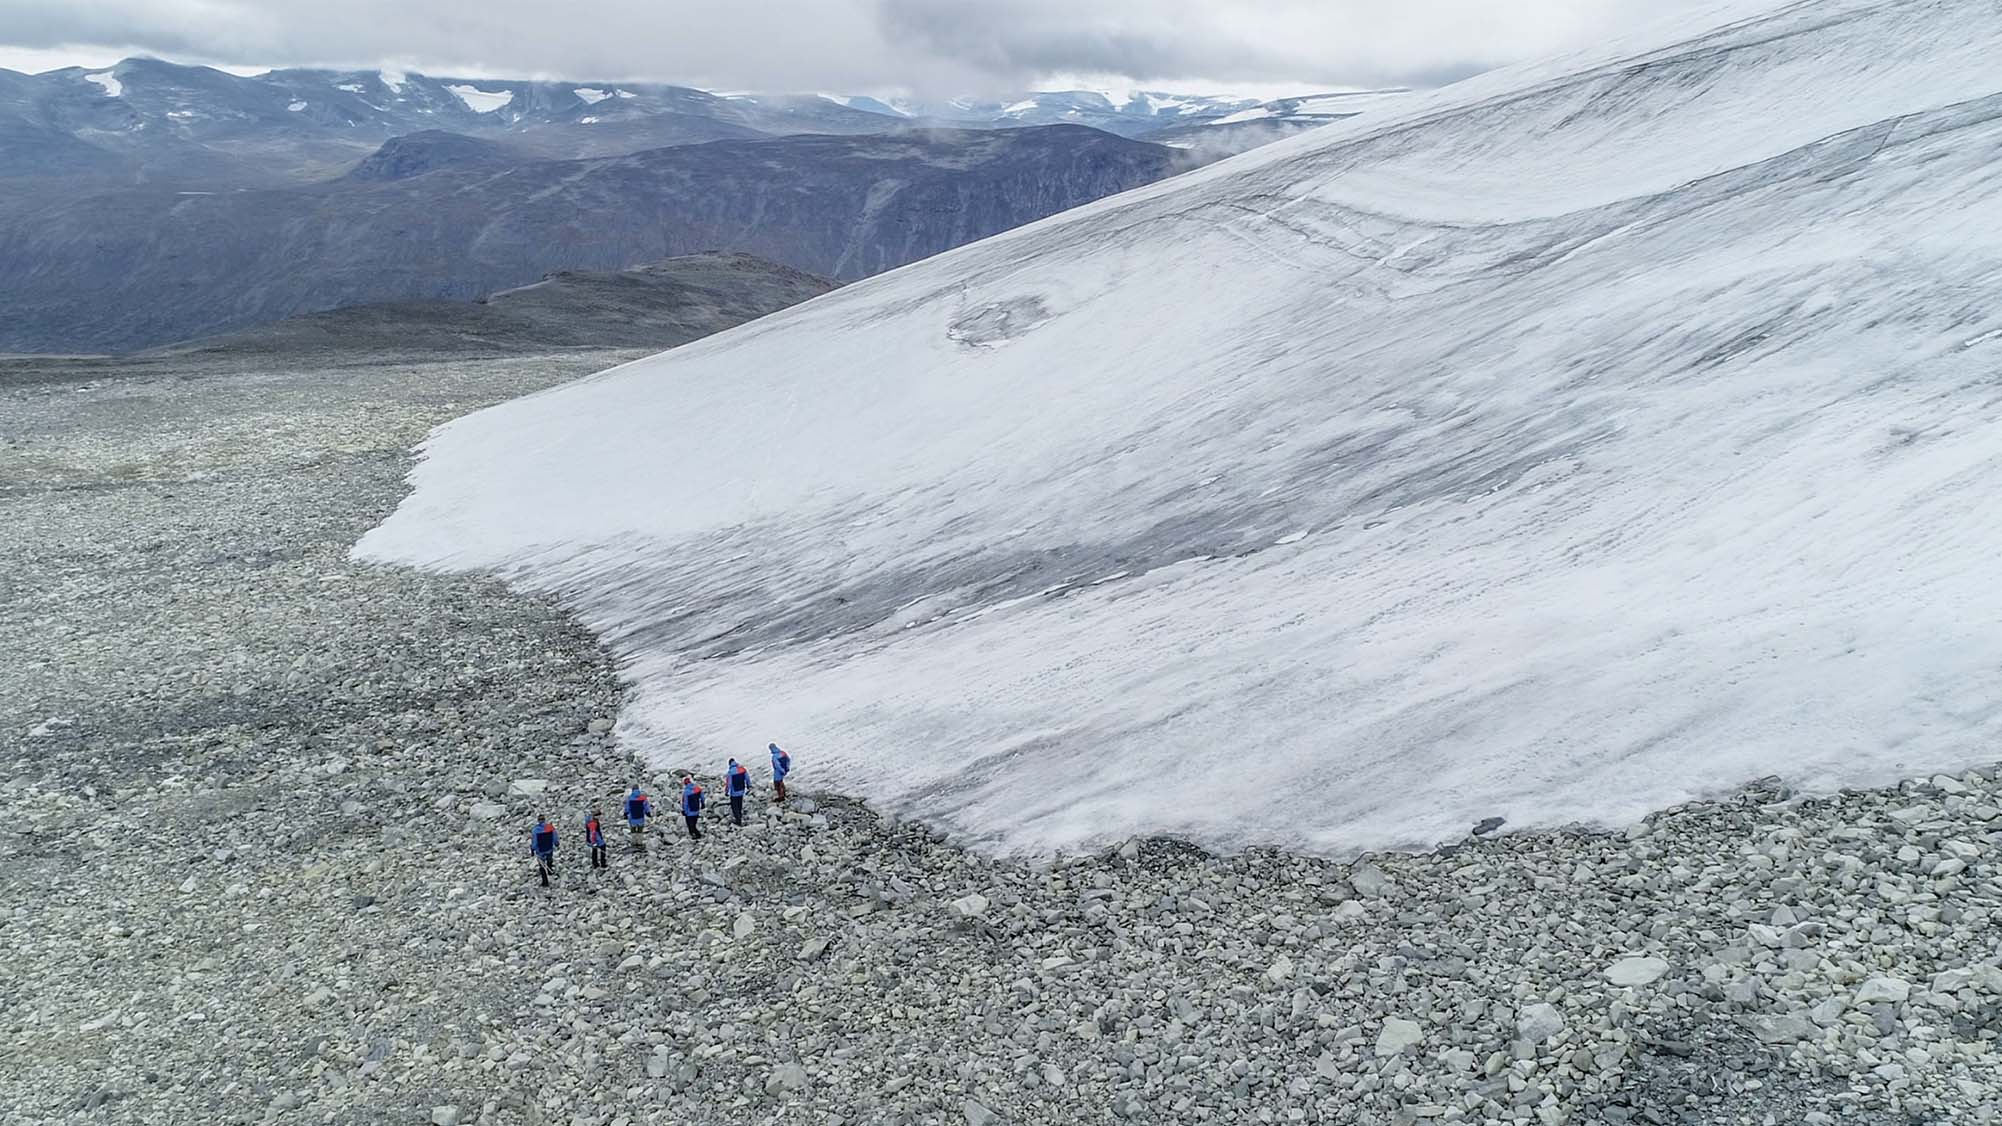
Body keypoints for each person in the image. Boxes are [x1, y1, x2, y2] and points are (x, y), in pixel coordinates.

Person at [529, 815, 559, 887]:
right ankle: (550, 870)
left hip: (540, 851)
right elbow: (555, 837)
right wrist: (556, 843)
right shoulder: (550, 827)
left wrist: (533, 849)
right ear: (545, 819)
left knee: (541, 866)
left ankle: (545, 882)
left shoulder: (535, 830)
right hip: (549, 848)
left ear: (538, 820)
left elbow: (535, 842)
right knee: (549, 859)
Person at [725, 758, 751, 825]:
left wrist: (726, 791)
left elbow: (729, 783)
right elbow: (747, 778)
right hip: (741, 790)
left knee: (734, 806)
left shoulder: (730, 772)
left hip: (734, 792)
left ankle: (738, 820)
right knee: (740, 804)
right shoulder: (742, 769)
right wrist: (748, 785)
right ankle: (740, 815)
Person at [680, 775, 706, 840]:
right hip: (696, 809)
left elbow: (685, 803)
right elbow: (702, 797)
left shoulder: (686, 792)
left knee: (690, 825)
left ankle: (696, 835)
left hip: (689, 811)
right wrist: (703, 804)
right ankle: (695, 835)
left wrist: (684, 811)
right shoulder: (697, 788)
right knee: (694, 823)